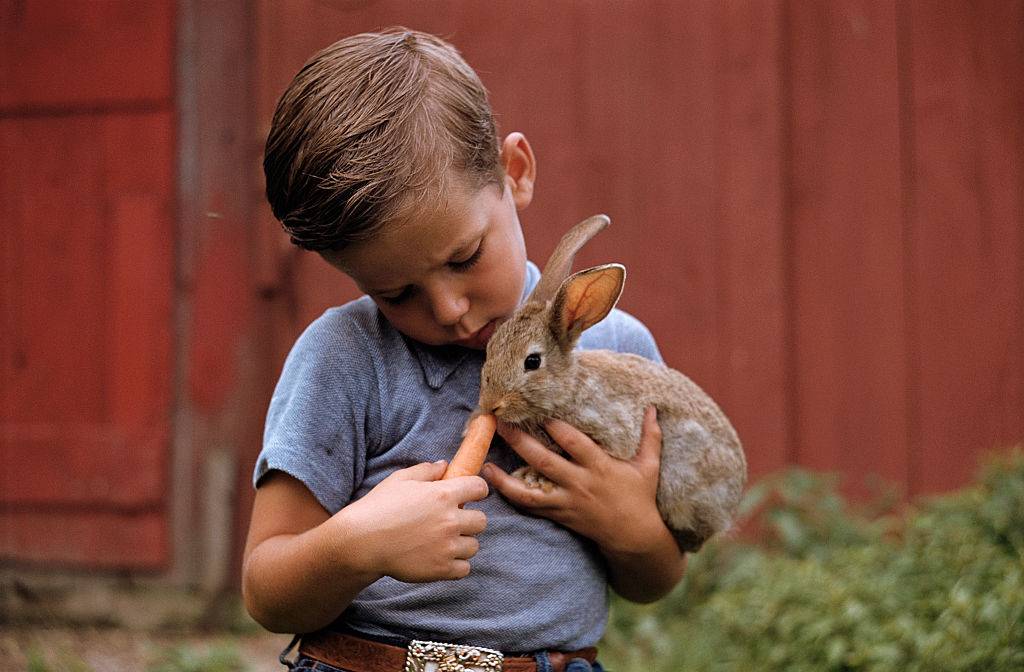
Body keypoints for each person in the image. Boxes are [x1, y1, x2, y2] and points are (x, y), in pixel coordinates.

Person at [243, 28, 686, 672]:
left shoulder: (616, 349)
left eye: (465, 257)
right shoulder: (345, 358)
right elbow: (265, 587)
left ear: (516, 172)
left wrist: (633, 527)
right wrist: (355, 546)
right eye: (397, 293)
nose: (449, 310)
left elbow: (655, 578)